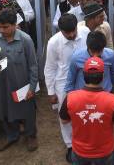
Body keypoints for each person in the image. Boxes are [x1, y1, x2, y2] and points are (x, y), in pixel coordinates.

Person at [0, 9, 39, 152]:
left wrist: (32, 88)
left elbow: (33, 66)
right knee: (5, 108)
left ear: (15, 25)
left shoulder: (25, 40)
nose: (2, 30)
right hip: (2, 82)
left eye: (5, 27)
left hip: (22, 83)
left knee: (27, 111)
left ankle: (30, 135)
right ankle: (12, 135)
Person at [45, 14, 85, 162]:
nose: (71, 35)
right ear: (60, 30)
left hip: (84, 81)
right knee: (65, 117)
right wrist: (51, 92)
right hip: (62, 85)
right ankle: (70, 146)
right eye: (67, 33)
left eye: (73, 31)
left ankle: (84, 142)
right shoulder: (53, 43)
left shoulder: (85, 32)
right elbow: (49, 68)